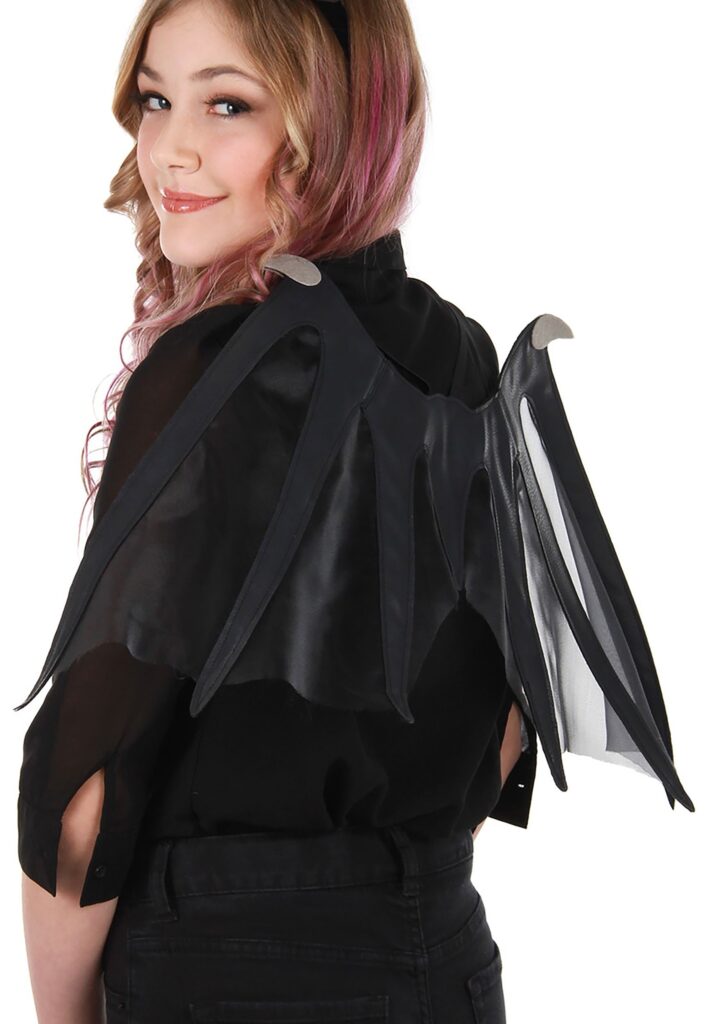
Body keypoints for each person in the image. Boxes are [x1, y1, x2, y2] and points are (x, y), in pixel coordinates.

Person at [15, 1, 692, 1022]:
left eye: (228, 104)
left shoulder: (208, 370)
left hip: (223, 971)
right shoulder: (461, 354)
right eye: (155, 100)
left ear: (337, 124)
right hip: (440, 957)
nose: (170, 150)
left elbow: (82, 797)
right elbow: (506, 727)